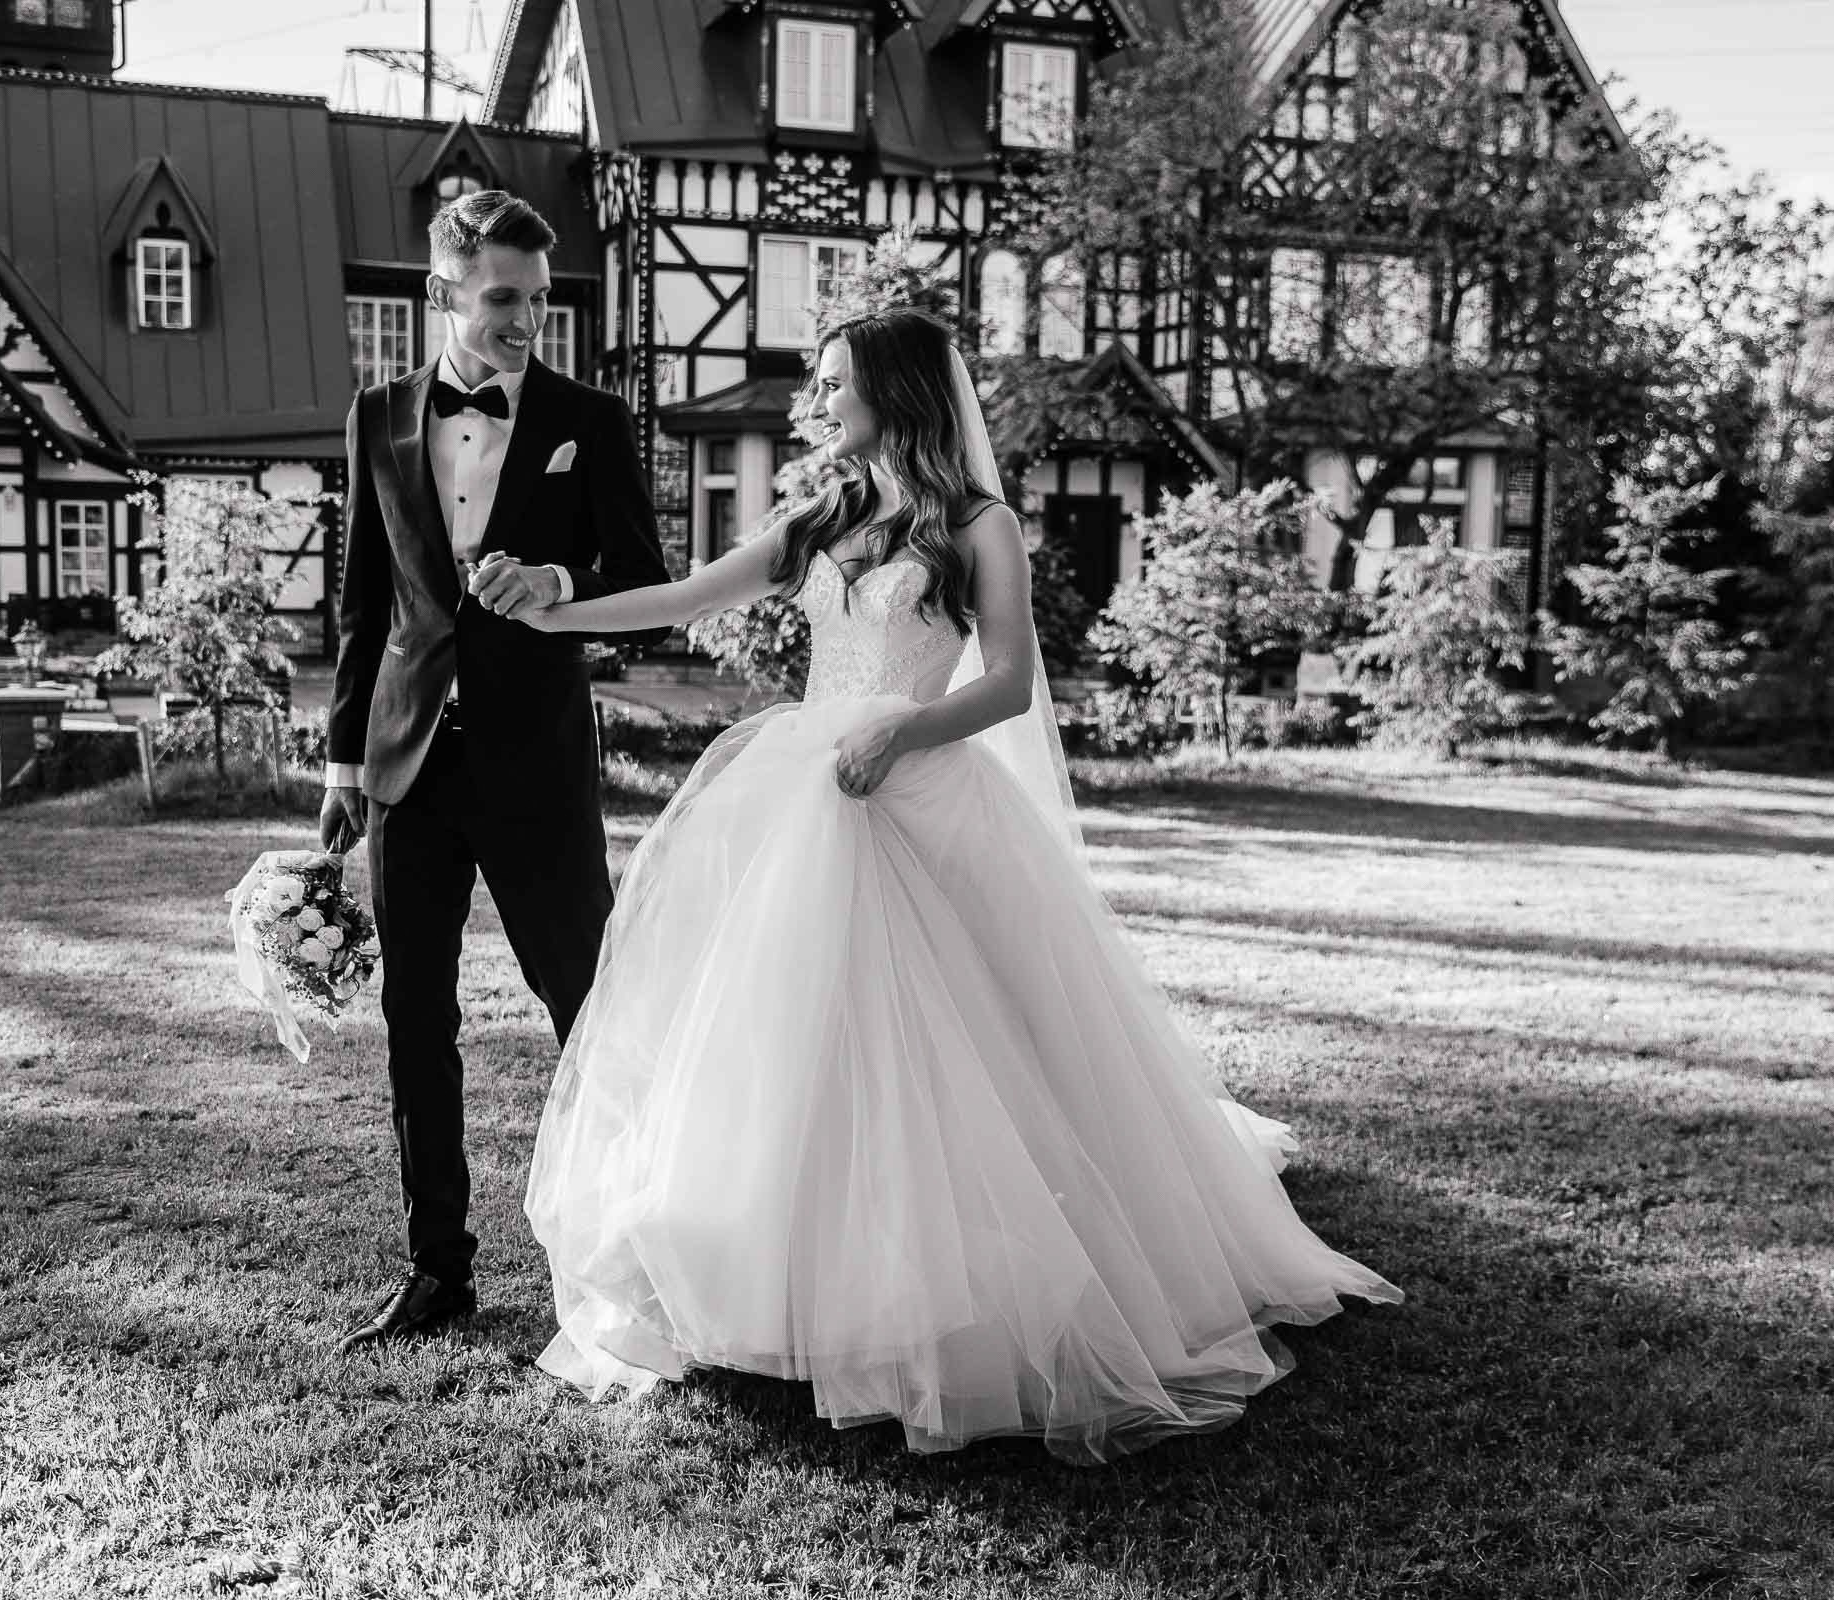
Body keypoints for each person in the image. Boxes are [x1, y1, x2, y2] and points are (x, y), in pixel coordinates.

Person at [512, 306, 1399, 1462]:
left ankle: (941, 1283)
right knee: (780, 1038)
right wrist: (557, 612)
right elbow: (687, 597)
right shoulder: (822, 511)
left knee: (948, 1042)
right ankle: (773, 1271)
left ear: (895, 388)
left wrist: (905, 735)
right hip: (799, 790)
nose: (821, 401)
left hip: (913, 787)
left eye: (837, 383)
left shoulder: (980, 525)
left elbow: (1013, 682)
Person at [319, 189, 669, 1353]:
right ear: (443, 295)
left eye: (538, 299)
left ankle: (639, 1253)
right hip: (408, 763)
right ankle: (437, 1271)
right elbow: (366, 605)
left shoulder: (590, 418)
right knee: (413, 1016)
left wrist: (563, 583)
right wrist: (338, 763)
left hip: (539, 761)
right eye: (501, 299)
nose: (525, 321)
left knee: (588, 1004)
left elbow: (644, 577)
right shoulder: (376, 418)